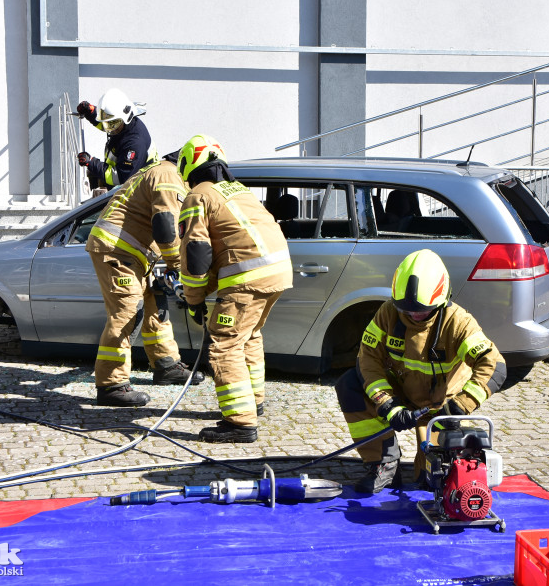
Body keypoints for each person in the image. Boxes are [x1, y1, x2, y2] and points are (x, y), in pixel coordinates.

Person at [334, 249, 507, 493]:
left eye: (422, 310)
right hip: (401, 392)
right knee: (349, 384)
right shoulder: (388, 313)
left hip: (442, 407)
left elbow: (494, 364)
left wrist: (460, 405)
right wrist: (388, 405)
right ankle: (383, 464)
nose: (414, 315)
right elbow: (368, 359)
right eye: (407, 309)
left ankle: (429, 465)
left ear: (441, 300)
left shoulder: (458, 322)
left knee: (431, 481)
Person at [176, 134, 293, 443]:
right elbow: (228, 248)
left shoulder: (198, 195)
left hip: (248, 280)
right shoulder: (239, 190)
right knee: (249, 335)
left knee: (225, 342)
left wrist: (193, 298)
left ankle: (240, 422)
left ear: (189, 165)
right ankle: (254, 400)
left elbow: (196, 253)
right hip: (277, 272)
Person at [85, 151, 201, 407]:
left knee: (154, 305)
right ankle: (111, 384)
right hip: (118, 250)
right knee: (128, 313)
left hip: (133, 252)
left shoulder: (158, 171)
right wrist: (177, 266)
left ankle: (166, 365)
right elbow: (165, 223)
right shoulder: (169, 174)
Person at [76, 88, 159, 192]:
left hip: (135, 192)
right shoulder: (122, 124)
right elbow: (109, 123)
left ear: (125, 118)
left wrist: (92, 163)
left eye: (112, 124)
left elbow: (120, 178)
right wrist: (91, 113)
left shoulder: (134, 144)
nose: (109, 129)